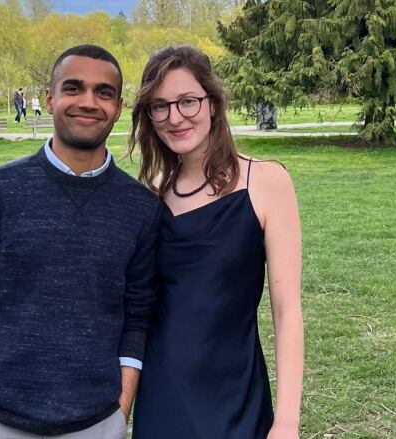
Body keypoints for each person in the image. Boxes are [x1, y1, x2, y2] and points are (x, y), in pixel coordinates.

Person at [0, 44, 161, 439]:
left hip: (97, 422)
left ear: (119, 107)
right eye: (74, 88)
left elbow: (137, 316)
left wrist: (121, 409)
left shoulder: (140, 207)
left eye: (103, 92)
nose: (89, 102)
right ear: (50, 98)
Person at [129, 45, 304, 439]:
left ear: (213, 103)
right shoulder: (150, 195)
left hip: (235, 392)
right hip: (162, 393)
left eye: (187, 101)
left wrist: (288, 420)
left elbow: (286, 309)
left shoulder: (266, 183)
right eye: (160, 106)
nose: (175, 117)